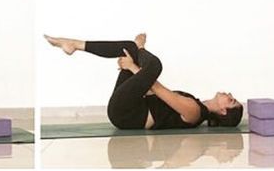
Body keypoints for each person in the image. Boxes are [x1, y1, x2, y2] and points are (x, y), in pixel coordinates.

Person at [45, 33, 243, 131]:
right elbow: (151, 93)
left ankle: (140, 48)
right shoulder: (195, 103)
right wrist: (134, 78)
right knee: (128, 47)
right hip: (132, 105)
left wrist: (133, 68)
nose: (230, 96)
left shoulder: (195, 112)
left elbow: (156, 88)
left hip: (126, 115)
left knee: (155, 65)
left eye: (231, 101)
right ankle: (74, 44)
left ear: (224, 111)